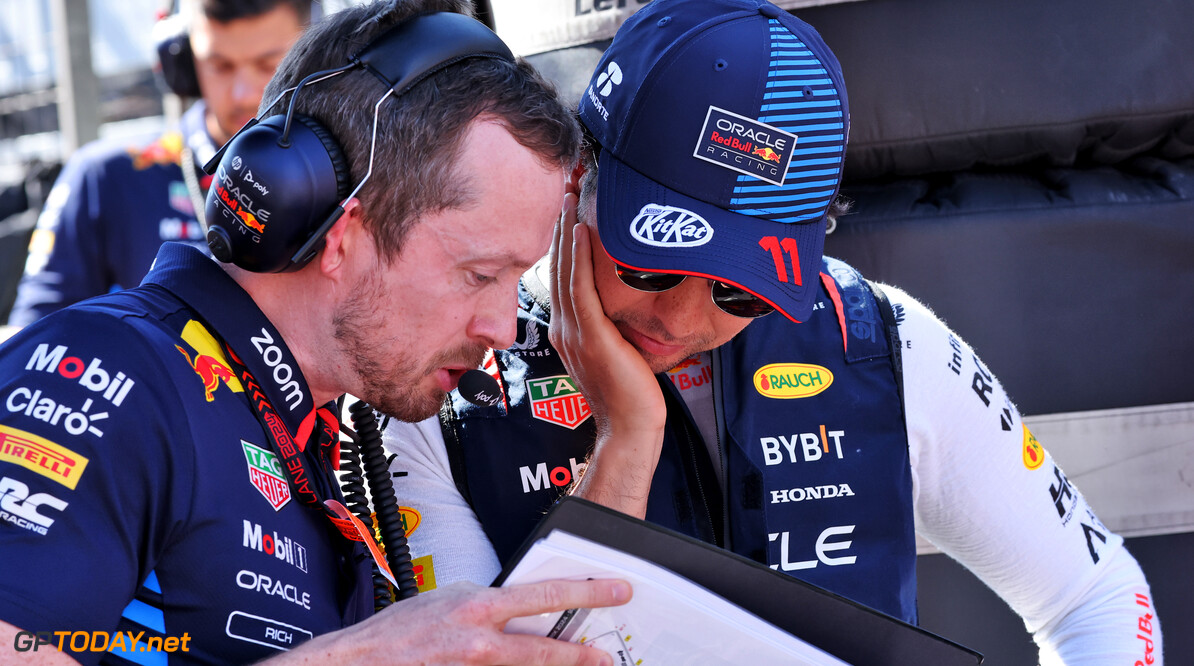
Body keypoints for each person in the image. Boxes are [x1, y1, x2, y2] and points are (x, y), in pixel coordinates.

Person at [381, 0, 1164, 663]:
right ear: (576, 178)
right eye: (651, 264)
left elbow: (1097, 594)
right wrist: (625, 448)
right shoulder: (441, 381)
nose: (681, 320)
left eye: (740, 291)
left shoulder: (886, 344)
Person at [0, 2, 630, 664]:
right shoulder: (108, 375)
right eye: (479, 274)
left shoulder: (291, 425)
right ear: (341, 231)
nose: (503, 328)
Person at [6, 0, 311, 328]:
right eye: (220, 65)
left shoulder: (358, 175)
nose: (243, 94)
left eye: (269, 65)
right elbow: (35, 338)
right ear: (181, 59)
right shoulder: (105, 177)